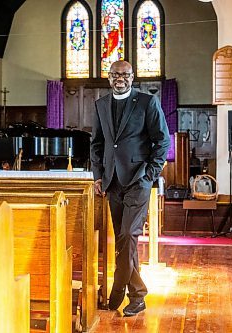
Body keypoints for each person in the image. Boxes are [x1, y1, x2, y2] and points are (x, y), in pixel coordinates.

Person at [90, 60, 170, 316]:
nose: (120, 78)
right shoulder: (101, 104)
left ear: (132, 77)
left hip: (138, 180)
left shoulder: (147, 103)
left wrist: (150, 173)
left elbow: (162, 140)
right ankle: (137, 296)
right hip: (112, 181)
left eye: (124, 74)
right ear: (109, 78)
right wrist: (98, 176)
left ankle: (117, 291)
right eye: (115, 74)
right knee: (125, 242)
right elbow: (97, 143)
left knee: (127, 236)